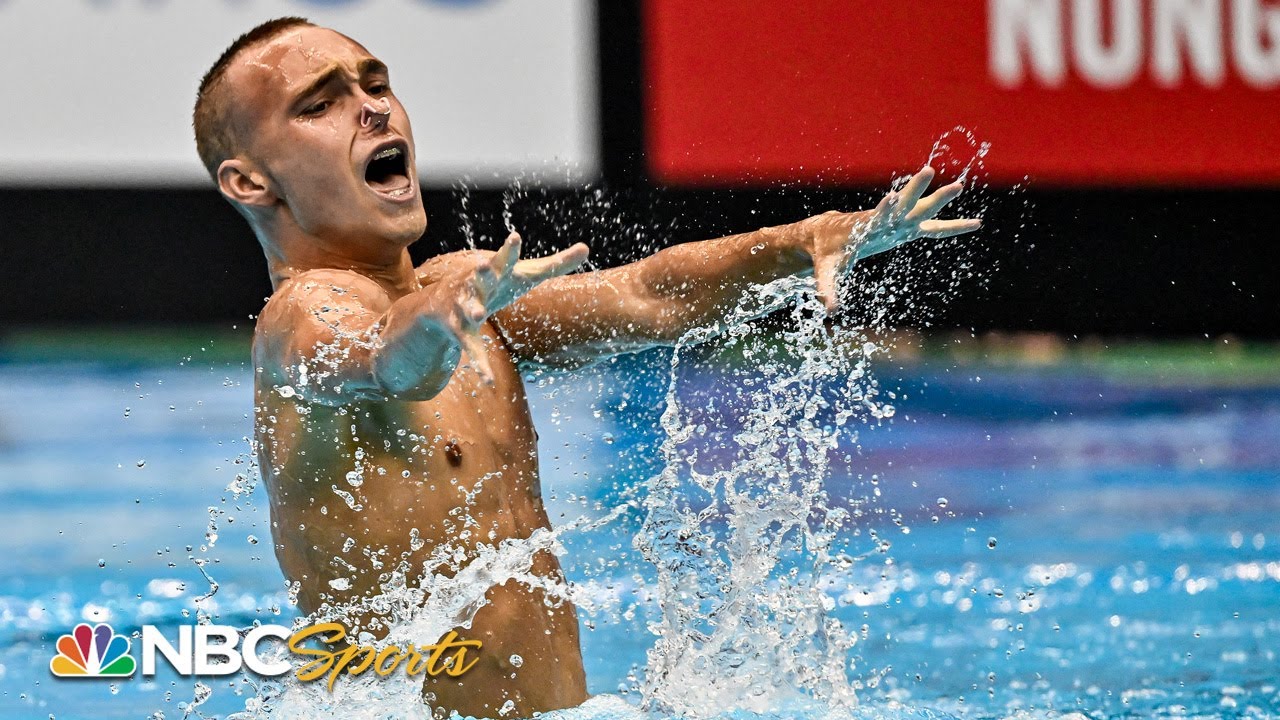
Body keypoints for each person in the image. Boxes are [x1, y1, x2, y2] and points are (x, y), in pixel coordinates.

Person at [193, 16, 980, 718]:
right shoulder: (301, 315)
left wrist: (797, 241)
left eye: (376, 83)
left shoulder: (461, 290)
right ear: (249, 181)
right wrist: (436, 323)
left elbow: (650, 296)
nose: (373, 107)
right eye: (320, 103)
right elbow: (378, 360)